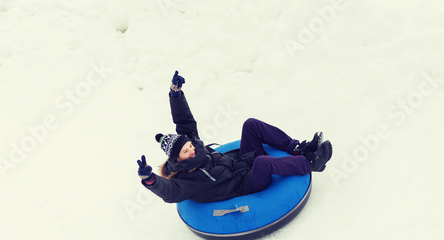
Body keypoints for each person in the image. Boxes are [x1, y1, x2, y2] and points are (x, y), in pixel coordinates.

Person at [137, 71, 333, 204]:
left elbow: (185, 122)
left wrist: (176, 94)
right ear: (177, 159)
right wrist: (150, 180)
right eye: (186, 151)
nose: (192, 149)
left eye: (190, 145)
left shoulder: (193, 146)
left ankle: (298, 149)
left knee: (251, 124)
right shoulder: (189, 180)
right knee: (264, 163)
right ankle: (310, 163)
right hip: (245, 185)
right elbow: (171, 192)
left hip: (241, 164)